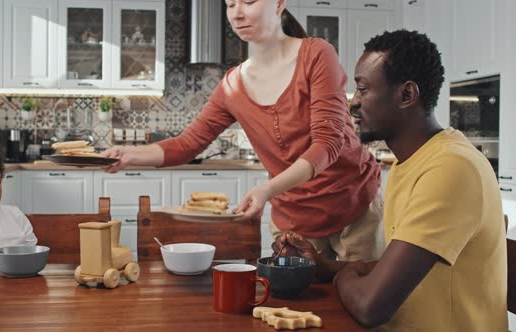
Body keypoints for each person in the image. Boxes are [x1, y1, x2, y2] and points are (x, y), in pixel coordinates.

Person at [102, 0, 384, 263]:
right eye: (230, 4)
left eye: (248, 1)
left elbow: (329, 142)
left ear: (279, 3)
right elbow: (189, 143)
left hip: (354, 205)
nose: (237, 13)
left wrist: (267, 189)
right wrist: (130, 155)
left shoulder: (317, 54)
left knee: (360, 305)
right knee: (299, 305)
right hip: (295, 218)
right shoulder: (232, 85)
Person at [273, 29, 508, 331]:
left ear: (406, 95)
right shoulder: (410, 161)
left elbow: (371, 307)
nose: (353, 103)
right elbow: (394, 267)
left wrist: (345, 275)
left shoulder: (451, 168)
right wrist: (326, 268)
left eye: (363, 89)